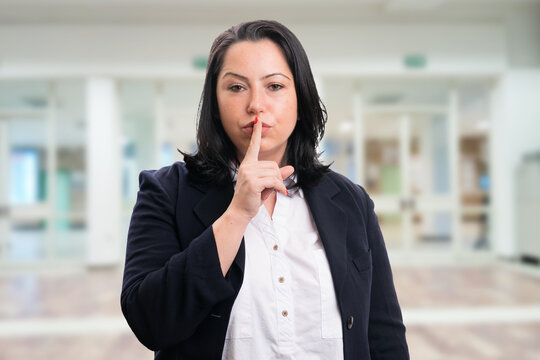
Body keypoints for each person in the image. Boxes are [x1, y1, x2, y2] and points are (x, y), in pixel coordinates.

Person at [121, 20, 409, 360]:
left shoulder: (350, 201)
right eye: (236, 88)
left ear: (300, 99)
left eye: (274, 86)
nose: (256, 104)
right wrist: (236, 215)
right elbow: (150, 321)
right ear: (215, 102)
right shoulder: (166, 191)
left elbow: (383, 332)